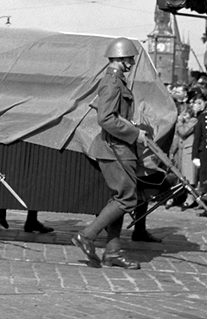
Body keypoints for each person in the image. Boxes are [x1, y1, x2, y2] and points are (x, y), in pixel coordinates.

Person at [71, 38, 146, 270]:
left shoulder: (116, 82)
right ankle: (87, 235)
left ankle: (113, 252)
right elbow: (105, 119)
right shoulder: (113, 83)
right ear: (120, 59)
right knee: (127, 198)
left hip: (119, 148)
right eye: (130, 59)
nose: (132, 63)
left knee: (119, 199)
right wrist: (135, 133)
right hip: (116, 149)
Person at [166, 88, 204, 210]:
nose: (183, 116)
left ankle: (191, 198)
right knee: (181, 177)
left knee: (190, 177)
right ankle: (178, 197)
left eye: (185, 114)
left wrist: (179, 122)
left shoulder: (193, 120)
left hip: (188, 151)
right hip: (181, 152)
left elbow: (183, 132)